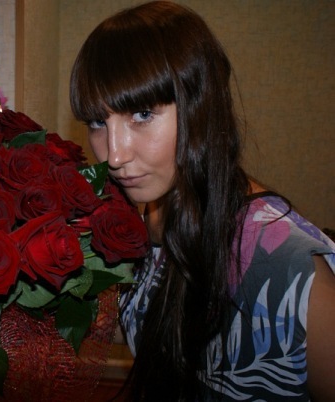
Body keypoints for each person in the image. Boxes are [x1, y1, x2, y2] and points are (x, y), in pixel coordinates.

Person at [69, 2, 335, 401]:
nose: (114, 155)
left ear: (201, 107)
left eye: (142, 114)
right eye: (97, 122)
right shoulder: (149, 219)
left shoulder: (287, 267)